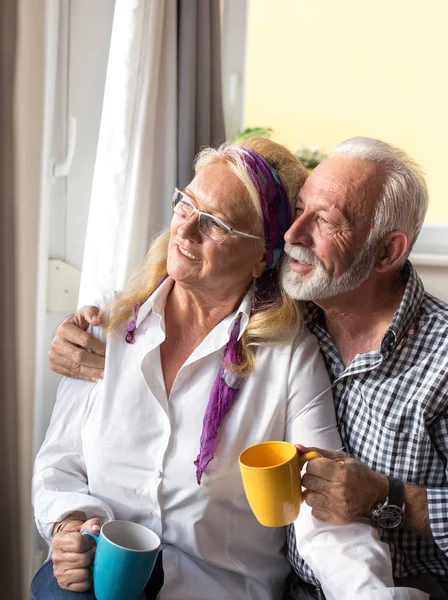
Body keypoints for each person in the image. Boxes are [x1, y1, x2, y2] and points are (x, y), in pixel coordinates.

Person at [33, 137, 405, 600]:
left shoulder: (289, 358)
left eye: (215, 224)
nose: (184, 231)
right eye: (185, 204)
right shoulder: (108, 323)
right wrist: (69, 525)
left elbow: (320, 516)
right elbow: (60, 463)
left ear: (261, 257)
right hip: (101, 582)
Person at [280, 137, 448, 599]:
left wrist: (386, 496)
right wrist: (96, 333)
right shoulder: (288, 319)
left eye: (326, 220)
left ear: (387, 253)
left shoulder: (443, 360)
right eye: (298, 209)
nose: (293, 234)